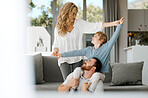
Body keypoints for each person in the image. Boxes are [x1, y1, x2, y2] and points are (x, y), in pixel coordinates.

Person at [52, 2, 122, 80]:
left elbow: (95, 26)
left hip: (77, 58)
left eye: (76, 14)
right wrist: (55, 50)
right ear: (67, 13)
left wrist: (113, 23)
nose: (75, 16)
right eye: (73, 14)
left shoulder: (79, 24)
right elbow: (56, 44)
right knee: (67, 81)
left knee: (77, 82)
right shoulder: (58, 28)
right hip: (63, 58)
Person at [56, 17, 125, 74]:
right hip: (89, 74)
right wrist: (62, 54)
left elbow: (114, 37)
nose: (92, 37)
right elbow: (76, 52)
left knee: (96, 77)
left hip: (99, 74)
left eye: (95, 36)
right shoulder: (88, 50)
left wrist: (120, 25)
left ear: (101, 41)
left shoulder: (106, 48)